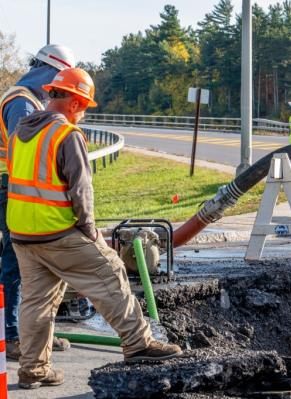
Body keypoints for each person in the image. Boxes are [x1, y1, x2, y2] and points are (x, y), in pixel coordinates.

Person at [6, 67, 183, 390]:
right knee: (111, 271)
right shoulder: (67, 135)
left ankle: (33, 369)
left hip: (22, 234)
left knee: (37, 302)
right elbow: (81, 192)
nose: (85, 112)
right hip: (56, 232)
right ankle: (138, 343)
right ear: (74, 102)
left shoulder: (19, 133)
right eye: (85, 104)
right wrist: (92, 233)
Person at [0, 44, 77, 360]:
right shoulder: (23, 103)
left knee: (32, 262)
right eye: (57, 83)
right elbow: (30, 151)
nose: (55, 91)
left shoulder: (25, 99)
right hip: (12, 187)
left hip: (14, 186)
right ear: (49, 70)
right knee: (17, 262)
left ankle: (35, 334)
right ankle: (14, 337)